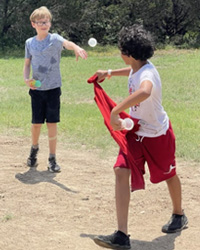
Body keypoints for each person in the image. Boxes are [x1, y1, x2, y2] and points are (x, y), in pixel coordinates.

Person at [93, 24, 188, 249]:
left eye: (121, 50)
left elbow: (145, 91)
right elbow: (131, 72)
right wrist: (109, 73)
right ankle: (122, 235)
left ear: (129, 54)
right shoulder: (139, 66)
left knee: (169, 174)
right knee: (120, 170)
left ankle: (179, 214)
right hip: (136, 133)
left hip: (157, 136)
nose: (120, 53)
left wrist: (116, 110)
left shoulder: (147, 74)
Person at [23, 6, 87, 172]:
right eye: (40, 22)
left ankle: (52, 158)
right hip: (37, 89)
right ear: (33, 24)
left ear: (50, 23)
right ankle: (34, 150)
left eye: (46, 21)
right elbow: (27, 64)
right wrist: (26, 79)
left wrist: (77, 48)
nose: (44, 24)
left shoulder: (55, 39)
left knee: (52, 123)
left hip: (53, 89)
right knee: (36, 124)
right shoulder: (29, 43)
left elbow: (68, 43)